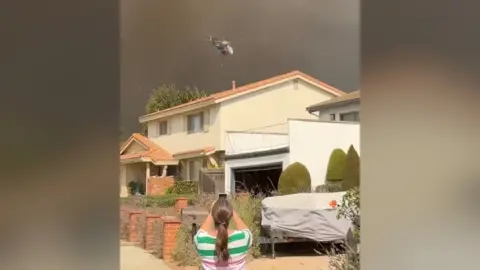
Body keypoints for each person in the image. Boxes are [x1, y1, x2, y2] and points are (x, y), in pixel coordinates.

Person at [193, 198, 252, 270]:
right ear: (230, 215)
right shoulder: (243, 238)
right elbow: (247, 231)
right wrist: (231, 210)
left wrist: (213, 211)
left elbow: (200, 232)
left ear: (213, 215)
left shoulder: (201, 240)